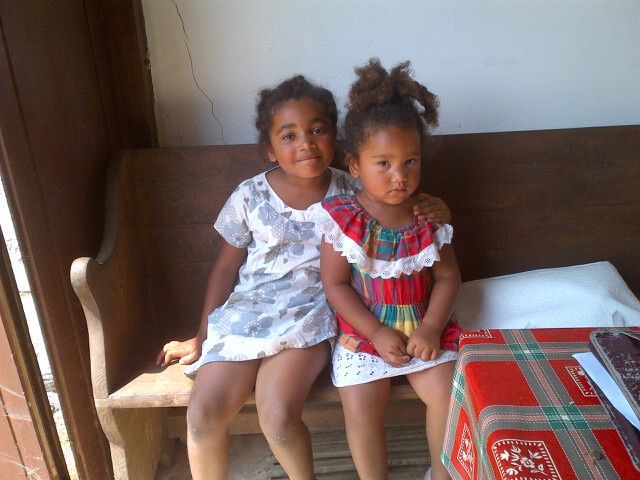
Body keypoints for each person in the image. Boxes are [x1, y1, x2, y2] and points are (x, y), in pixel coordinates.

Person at [155, 74, 452, 480]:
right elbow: (225, 268)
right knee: (202, 416)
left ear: (336, 139)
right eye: (289, 135)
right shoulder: (250, 196)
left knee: (276, 417)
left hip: (312, 316)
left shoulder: (354, 188)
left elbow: (403, 204)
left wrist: (439, 211)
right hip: (247, 314)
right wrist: (201, 335)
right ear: (269, 148)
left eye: (317, 130)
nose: (306, 143)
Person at [318, 58, 462, 480]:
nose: (400, 176)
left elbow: (448, 277)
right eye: (383, 163)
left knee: (448, 394)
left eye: (410, 161)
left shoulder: (428, 216)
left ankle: (441, 475)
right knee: (361, 407)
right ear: (355, 165)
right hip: (365, 333)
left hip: (422, 329)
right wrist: (376, 332)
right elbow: (335, 285)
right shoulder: (343, 219)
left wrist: (431, 328)